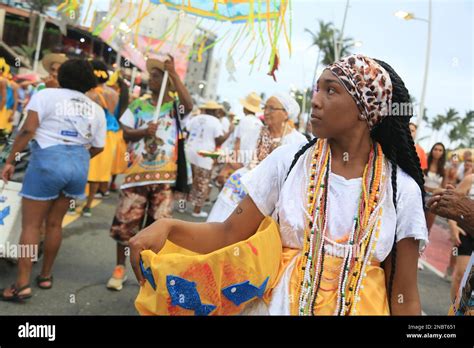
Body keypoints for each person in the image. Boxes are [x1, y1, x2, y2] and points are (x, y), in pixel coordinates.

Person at [130, 54, 428, 315]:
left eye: (331, 90)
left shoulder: (401, 190)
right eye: (317, 88)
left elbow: (404, 298)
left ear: (366, 109)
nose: (315, 99)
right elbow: (228, 232)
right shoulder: (289, 161)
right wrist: (169, 227)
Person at [0, 59, 106, 301]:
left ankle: (22, 284)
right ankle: (46, 276)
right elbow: (99, 147)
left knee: (31, 226)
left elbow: (28, 130)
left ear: (62, 76)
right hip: (78, 166)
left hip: (47, 162)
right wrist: (75, 158)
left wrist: (10, 161)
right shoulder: (96, 109)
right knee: (55, 225)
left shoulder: (46, 95)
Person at [106, 56, 193, 291]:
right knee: (126, 224)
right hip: (136, 175)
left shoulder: (176, 107)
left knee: (158, 229)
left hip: (165, 179)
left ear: (167, 81)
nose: (150, 79)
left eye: (156, 76)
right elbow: (125, 132)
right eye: (151, 75)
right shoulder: (138, 106)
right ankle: (119, 268)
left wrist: (173, 72)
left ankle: (148, 272)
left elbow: (189, 104)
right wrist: (144, 131)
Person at [207, 93, 307, 222]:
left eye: (271, 108)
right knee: (224, 222)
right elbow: (243, 161)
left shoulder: (297, 141)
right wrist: (226, 166)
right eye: (265, 107)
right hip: (241, 187)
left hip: (272, 196)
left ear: (286, 113)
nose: (266, 112)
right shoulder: (254, 132)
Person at [81, 60, 120, 217]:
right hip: (109, 135)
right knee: (98, 172)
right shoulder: (113, 93)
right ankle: (88, 206)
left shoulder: (88, 93)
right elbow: (116, 113)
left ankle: (72, 203)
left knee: (82, 167)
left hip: (90, 132)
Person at [185, 101, 233, 218]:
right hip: (204, 155)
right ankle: (196, 211)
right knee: (202, 182)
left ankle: (182, 207)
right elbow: (219, 140)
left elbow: (187, 131)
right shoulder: (215, 121)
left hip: (189, 152)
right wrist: (230, 132)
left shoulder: (195, 118)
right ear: (215, 111)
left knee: (187, 182)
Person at [233, 92, 263, 167]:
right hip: (253, 160)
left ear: (245, 108)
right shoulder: (260, 123)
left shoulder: (243, 121)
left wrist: (235, 160)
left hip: (241, 159)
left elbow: (237, 142)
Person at [423, 142, 447, 232]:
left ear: (443, 153)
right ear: (432, 150)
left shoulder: (444, 170)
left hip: (434, 198)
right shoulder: (424, 165)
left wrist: (433, 190)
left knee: (428, 226)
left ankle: (422, 245)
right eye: (435, 149)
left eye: (440, 150)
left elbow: (444, 188)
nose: (437, 152)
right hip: (421, 195)